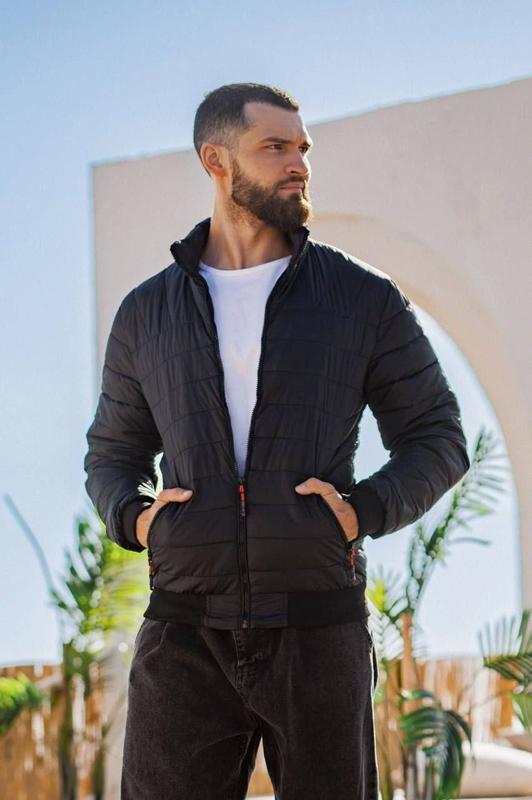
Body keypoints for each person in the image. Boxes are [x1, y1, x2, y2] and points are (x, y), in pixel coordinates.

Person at [84, 82, 470, 800]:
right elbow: (112, 455)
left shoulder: (361, 298)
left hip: (318, 627)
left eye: (303, 148)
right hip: (183, 629)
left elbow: (438, 437)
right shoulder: (147, 314)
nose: (299, 164)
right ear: (217, 160)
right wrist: (137, 521)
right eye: (275, 147)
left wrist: (362, 511)